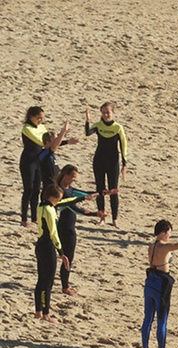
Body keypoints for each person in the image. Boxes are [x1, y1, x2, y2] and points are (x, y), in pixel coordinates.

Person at [54, 164, 108, 296]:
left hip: (69, 226)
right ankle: (65, 287)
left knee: (68, 257)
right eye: (73, 177)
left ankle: (64, 285)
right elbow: (75, 208)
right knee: (67, 257)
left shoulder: (68, 188)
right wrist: (96, 214)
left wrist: (102, 193)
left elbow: (84, 193)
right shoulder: (61, 191)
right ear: (65, 176)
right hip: (65, 227)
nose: (74, 179)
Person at [85, 103, 128, 227]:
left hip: (113, 161)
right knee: (100, 190)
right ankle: (102, 218)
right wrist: (87, 119)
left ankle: (115, 219)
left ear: (113, 113)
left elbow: (123, 146)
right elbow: (87, 133)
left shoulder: (118, 128)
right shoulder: (98, 126)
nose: (106, 115)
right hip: (99, 161)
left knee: (113, 190)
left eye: (108, 112)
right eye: (103, 112)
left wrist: (124, 164)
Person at [34, 184, 71, 323]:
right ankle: (46, 314)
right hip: (48, 247)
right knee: (48, 282)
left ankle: (38, 311)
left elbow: (64, 202)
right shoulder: (50, 211)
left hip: (40, 245)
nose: (58, 202)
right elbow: (53, 233)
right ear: (52, 197)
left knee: (41, 280)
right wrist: (61, 252)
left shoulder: (41, 206)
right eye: (58, 199)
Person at [20, 107, 48, 226]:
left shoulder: (42, 127)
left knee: (37, 189)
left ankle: (34, 217)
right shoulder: (27, 128)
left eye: (42, 117)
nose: (41, 120)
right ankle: (24, 218)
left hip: (39, 161)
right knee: (28, 189)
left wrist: (65, 141)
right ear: (31, 117)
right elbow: (42, 142)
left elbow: (48, 141)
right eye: (38, 117)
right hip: (28, 161)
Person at [38, 120, 78, 188]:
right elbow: (55, 145)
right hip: (49, 187)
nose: (58, 142)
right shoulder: (43, 154)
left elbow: (56, 144)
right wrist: (63, 131)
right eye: (55, 140)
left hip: (56, 185)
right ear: (47, 142)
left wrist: (67, 141)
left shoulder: (49, 153)